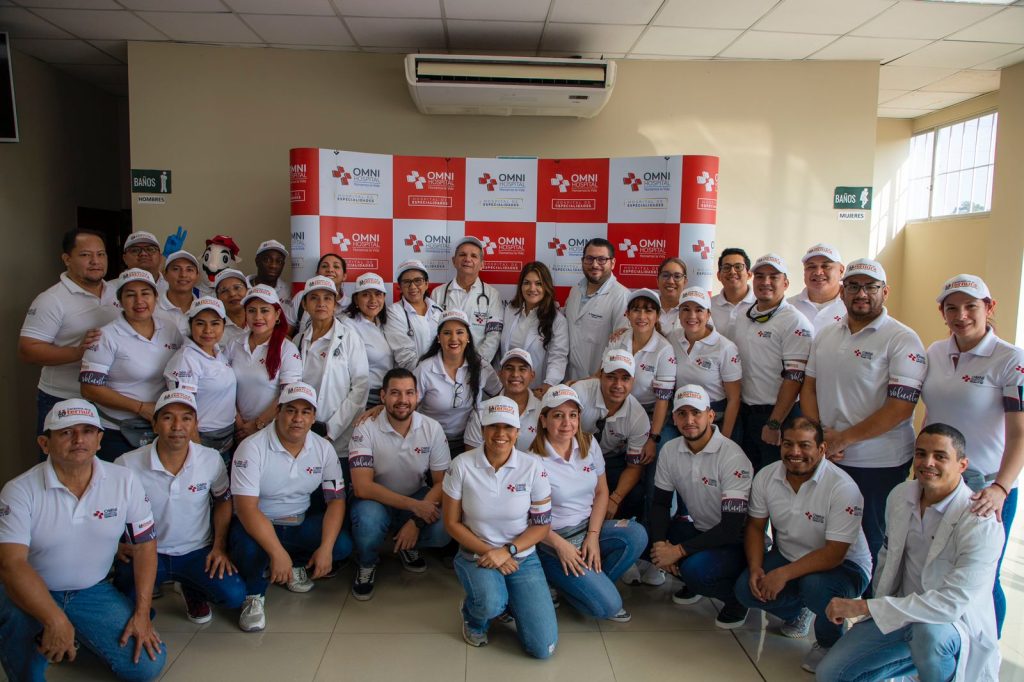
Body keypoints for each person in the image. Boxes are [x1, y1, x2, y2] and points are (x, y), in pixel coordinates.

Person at [818, 424, 1004, 682]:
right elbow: (887, 560)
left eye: (940, 456)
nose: (928, 463)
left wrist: (865, 606)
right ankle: (912, 665)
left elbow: (951, 604)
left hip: (948, 626)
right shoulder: (900, 495)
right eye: (921, 454)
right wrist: (879, 610)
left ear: (962, 465)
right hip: (900, 612)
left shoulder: (980, 522)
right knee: (831, 674)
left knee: (928, 636)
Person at [0, 399, 165, 681]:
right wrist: (54, 618)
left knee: (146, 666)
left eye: (87, 431)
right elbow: (12, 565)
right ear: (44, 443)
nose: (78, 440)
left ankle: (70, 637)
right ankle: (50, 631)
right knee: (29, 670)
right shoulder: (19, 491)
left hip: (90, 591)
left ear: (99, 440)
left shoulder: (125, 480)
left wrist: (141, 613)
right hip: (31, 589)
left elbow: (145, 546)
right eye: (66, 432)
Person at [801, 258, 926, 565]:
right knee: (825, 537)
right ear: (842, 291)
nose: (861, 294)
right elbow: (809, 387)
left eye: (870, 287)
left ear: (885, 291)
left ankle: (873, 596)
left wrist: (842, 439)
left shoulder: (902, 339)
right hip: (830, 458)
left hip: (879, 464)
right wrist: (821, 439)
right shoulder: (826, 334)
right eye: (854, 286)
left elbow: (900, 408)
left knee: (874, 542)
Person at [921, 274, 1024, 637]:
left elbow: (1020, 433)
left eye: (971, 307)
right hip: (935, 480)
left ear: (989, 307)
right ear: (942, 312)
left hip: (984, 487)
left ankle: (985, 654)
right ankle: (938, 650)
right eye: (952, 308)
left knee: (982, 577)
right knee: (932, 568)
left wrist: (1001, 488)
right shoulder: (935, 353)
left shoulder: (1011, 359)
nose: (961, 315)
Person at [734, 416, 872, 675]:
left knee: (815, 587)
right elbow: (755, 527)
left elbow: (834, 554)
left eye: (804, 445)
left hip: (845, 567)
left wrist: (782, 574)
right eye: (788, 444)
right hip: (789, 555)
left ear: (821, 449)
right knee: (745, 590)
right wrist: (756, 568)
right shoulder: (767, 475)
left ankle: (830, 642)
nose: (795, 452)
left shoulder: (842, 487)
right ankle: (799, 611)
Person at [113, 390, 245, 625]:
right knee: (126, 609)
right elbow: (107, 510)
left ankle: (191, 588)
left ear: (195, 425)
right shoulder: (127, 464)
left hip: (196, 551)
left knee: (234, 596)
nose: (177, 426)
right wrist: (115, 544)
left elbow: (223, 500)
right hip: (145, 552)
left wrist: (219, 546)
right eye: (167, 418)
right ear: (154, 424)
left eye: (186, 418)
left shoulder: (210, 459)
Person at [229, 383, 353, 632]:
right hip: (258, 525)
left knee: (341, 545)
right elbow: (246, 509)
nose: (298, 419)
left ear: (314, 417)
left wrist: (326, 549)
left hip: (298, 522)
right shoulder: (251, 447)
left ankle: (294, 563)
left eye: (306, 412)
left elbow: (336, 501)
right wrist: (277, 552)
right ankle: (254, 595)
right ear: (278, 412)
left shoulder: (323, 448)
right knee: (248, 550)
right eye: (291, 410)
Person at [443, 396, 557, 657]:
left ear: (517, 432)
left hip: (521, 557)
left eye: (508, 427)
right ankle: (474, 617)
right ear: (483, 429)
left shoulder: (533, 467)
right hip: (476, 554)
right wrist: (490, 553)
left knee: (543, 648)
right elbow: (451, 523)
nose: (500, 434)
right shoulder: (461, 465)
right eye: (493, 426)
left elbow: (541, 526)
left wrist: (507, 551)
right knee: (491, 604)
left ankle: (509, 600)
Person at [530, 385, 645, 623]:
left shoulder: (588, 443)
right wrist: (561, 546)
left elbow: (601, 491)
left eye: (572, 415)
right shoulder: (532, 460)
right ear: (543, 420)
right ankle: (567, 580)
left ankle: (586, 583)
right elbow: (527, 519)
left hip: (588, 528)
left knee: (637, 534)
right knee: (609, 605)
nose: (567, 423)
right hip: (554, 542)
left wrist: (593, 535)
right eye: (558, 415)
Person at [648, 385, 752, 628]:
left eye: (696, 413)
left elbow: (730, 529)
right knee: (648, 539)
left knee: (695, 570)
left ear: (710, 416)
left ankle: (737, 599)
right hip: (701, 529)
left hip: (737, 540)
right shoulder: (670, 449)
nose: (689, 420)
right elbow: (660, 503)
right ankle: (692, 578)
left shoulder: (732, 456)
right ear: (674, 418)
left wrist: (677, 551)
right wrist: (661, 546)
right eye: (682, 414)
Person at [348, 368, 452, 600]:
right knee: (368, 521)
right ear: (383, 396)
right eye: (395, 393)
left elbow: (441, 482)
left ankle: (407, 545)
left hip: (415, 493)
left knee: (445, 525)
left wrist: (416, 521)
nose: (403, 400)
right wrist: (415, 507)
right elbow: (363, 487)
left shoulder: (431, 428)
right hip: (374, 500)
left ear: (417, 396)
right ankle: (367, 562)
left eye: (409, 393)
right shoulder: (365, 427)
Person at [19, 227, 118, 439]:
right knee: (62, 458)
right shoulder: (51, 299)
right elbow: (28, 350)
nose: (95, 261)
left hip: (109, 399)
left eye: (101, 254)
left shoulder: (118, 292)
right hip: (64, 398)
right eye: (85, 255)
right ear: (67, 259)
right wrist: (77, 352)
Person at [573, 352, 660, 586]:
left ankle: (615, 543)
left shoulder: (638, 416)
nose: (618, 385)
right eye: (611, 377)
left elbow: (634, 466)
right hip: (573, 458)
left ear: (633, 381)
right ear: (600, 376)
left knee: (635, 492)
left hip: (611, 460)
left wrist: (614, 498)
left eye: (625, 378)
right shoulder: (580, 393)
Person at [80, 269, 183, 463]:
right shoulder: (106, 336)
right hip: (117, 430)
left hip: (161, 428)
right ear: (119, 301)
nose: (139, 301)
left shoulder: (170, 329)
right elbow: (89, 389)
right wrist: (140, 408)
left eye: (145, 293)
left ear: (156, 297)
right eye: (130, 295)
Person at [731, 253, 813, 471]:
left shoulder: (795, 322)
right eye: (760, 276)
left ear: (785, 283)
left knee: (776, 479)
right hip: (746, 414)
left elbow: (795, 378)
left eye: (773, 277)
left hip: (778, 418)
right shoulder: (744, 316)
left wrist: (774, 423)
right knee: (748, 476)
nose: (765, 282)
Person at [295, 275, 369, 477]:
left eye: (327, 298)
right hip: (303, 431)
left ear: (335, 304)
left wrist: (332, 429)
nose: (321, 303)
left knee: (335, 488)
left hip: (338, 434)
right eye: (314, 298)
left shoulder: (350, 337)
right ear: (305, 304)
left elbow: (360, 387)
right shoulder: (298, 340)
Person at [412, 310, 501, 455]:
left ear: (468, 337)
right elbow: (407, 404)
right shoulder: (424, 369)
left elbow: (500, 394)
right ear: (439, 338)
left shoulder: (481, 366)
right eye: (447, 333)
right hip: (429, 441)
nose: (454, 338)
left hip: (470, 441)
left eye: (460, 332)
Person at [602, 289, 675, 464]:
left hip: (649, 415)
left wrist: (653, 439)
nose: (642, 316)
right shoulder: (618, 339)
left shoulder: (664, 350)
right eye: (636, 310)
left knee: (644, 463)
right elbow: (601, 374)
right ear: (627, 314)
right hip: (616, 409)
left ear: (657, 316)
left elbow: (662, 400)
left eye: (648, 310)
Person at [226, 284, 302, 443]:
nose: (258, 317)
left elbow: (287, 394)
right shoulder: (234, 344)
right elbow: (225, 385)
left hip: (272, 431)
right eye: (252, 311)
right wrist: (238, 420)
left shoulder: (287, 349)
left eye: (265, 310)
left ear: (277, 314)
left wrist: (258, 424)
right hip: (236, 428)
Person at [163, 297, 237, 458]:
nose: (208, 330)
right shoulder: (186, 359)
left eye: (215, 323)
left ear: (224, 325)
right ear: (191, 325)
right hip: (201, 438)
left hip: (225, 436)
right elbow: (181, 411)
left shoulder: (217, 352)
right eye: (200, 323)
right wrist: (198, 453)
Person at [664, 286, 741, 442]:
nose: (692, 315)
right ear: (679, 314)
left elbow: (734, 398)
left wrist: (724, 439)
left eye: (699, 310)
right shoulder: (672, 338)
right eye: (686, 309)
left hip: (715, 416)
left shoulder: (725, 348)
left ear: (708, 314)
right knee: (663, 447)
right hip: (680, 412)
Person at [564, 238, 630, 380]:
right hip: (569, 380)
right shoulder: (575, 291)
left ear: (613, 263)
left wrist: (598, 376)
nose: (594, 265)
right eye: (589, 258)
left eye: (601, 259)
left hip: (598, 381)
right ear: (582, 261)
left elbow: (620, 347)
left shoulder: (622, 296)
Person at [498, 261, 569, 393]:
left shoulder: (557, 321)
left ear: (546, 287)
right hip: (508, 387)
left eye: (538, 283)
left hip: (537, 390)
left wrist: (549, 383)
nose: (532, 288)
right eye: (527, 283)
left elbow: (558, 357)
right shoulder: (510, 310)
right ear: (520, 286)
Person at [436, 237, 503, 363]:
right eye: (462, 255)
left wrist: (476, 364)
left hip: (479, 365)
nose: (467, 259)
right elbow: (434, 332)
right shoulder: (438, 293)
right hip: (445, 364)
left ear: (482, 264)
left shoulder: (492, 294)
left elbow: (494, 336)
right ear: (454, 261)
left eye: (474, 256)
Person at [465, 349, 543, 452]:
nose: (515, 374)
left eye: (522, 369)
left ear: (532, 375)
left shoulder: (543, 411)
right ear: (500, 374)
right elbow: (471, 456)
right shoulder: (481, 411)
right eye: (509, 368)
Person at [344, 273, 395, 407]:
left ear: (384, 297)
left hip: (389, 396)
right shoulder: (348, 326)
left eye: (378, 294)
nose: (373, 300)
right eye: (366, 295)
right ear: (356, 299)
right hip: (364, 400)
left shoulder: (386, 322)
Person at [383, 259, 444, 370]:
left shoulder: (438, 311)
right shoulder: (394, 312)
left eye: (418, 281)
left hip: (440, 373)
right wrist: (432, 373)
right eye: (406, 282)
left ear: (426, 284)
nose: (412, 287)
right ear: (400, 287)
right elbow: (405, 358)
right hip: (410, 376)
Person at [788, 244, 846, 332]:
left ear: (841, 270)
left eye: (826, 266)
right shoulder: (788, 307)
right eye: (811, 267)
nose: (818, 272)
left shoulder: (855, 307)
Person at [295, 253, 349, 332]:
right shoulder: (301, 296)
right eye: (324, 266)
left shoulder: (352, 304)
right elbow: (286, 332)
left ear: (344, 276)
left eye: (336, 266)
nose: (330, 270)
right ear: (317, 274)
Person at [248, 239, 295, 327]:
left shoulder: (286, 290)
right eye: (267, 260)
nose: (273, 265)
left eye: (279, 261)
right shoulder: (242, 288)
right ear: (257, 261)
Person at [710, 247, 755, 341]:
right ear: (718, 276)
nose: (732, 271)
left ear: (749, 274)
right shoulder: (708, 306)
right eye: (726, 267)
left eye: (738, 267)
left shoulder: (760, 305)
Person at [155, 250, 199, 336]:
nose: (183, 275)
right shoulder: (152, 308)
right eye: (176, 269)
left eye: (189, 269)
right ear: (164, 274)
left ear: (197, 276)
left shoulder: (204, 309)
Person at [213, 267, 249, 348]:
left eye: (237, 288)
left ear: (247, 291)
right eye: (224, 290)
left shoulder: (261, 321)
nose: (232, 294)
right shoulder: (213, 329)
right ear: (217, 298)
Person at [655, 257, 688, 335]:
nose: (671, 281)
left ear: (685, 282)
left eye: (677, 276)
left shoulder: (695, 312)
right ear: (657, 281)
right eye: (665, 275)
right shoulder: (645, 308)